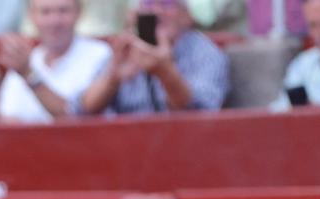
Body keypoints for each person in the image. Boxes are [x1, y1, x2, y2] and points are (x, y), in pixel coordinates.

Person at [80, 0, 229, 114]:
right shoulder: (125, 49)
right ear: (134, 15)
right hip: (124, 144)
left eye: (166, 3)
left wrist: (165, 72)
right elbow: (81, 111)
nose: (157, 11)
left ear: (187, 16)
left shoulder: (204, 52)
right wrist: (112, 78)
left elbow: (202, 112)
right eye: (149, 3)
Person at [0, 0, 112, 121]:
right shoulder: (25, 60)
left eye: (63, 11)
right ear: (31, 16)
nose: (54, 21)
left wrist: (29, 74)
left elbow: (78, 117)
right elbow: (6, 119)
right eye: (45, 12)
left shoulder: (100, 55)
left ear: (79, 13)